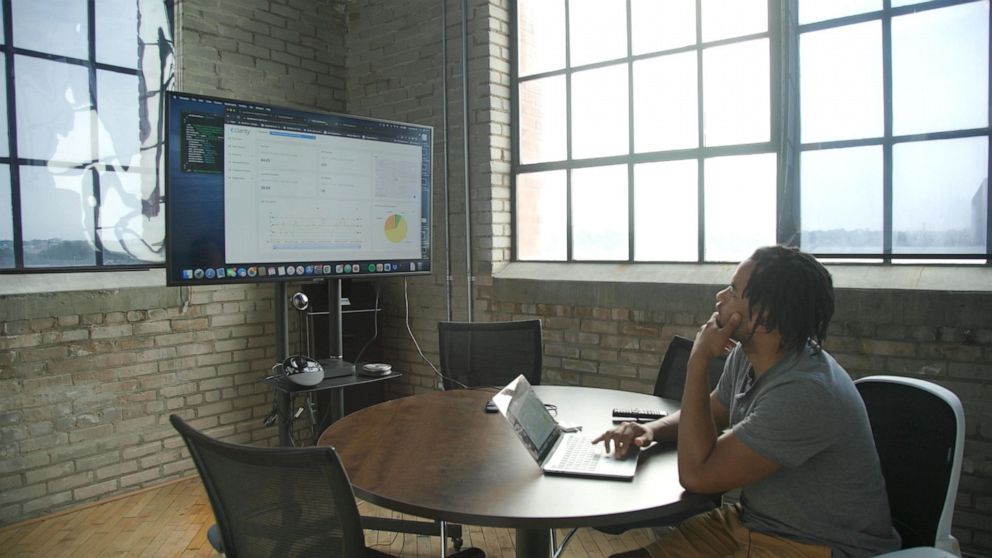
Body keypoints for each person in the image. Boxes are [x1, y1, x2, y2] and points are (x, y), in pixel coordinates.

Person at [593, 245, 901, 558]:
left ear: (767, 312)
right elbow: (712, 412)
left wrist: (698, 360)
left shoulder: (805, 392)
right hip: (752, 526)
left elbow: (698, 477)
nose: (720, 297)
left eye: (734, 291)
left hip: (815, 546)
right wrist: (649, 430)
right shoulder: (748, 355)